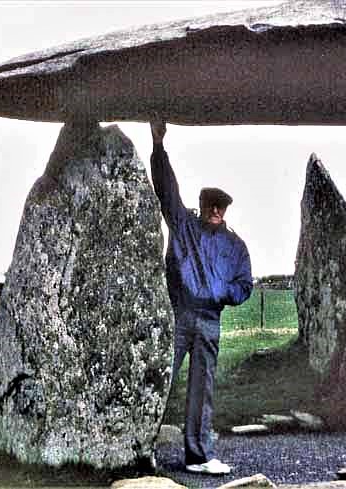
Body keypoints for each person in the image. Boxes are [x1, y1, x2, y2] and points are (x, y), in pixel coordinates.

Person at [149, 120, 253, 475]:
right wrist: (158, 148)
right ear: (202, 204)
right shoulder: (184, 227)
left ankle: (197, 455)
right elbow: (167, 193)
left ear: (226, 210)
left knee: (201, 388)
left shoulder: (235, 246)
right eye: (210, 204)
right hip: (180, 316)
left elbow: (244, 285)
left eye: (220, 206)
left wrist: (223, 293)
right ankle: (139, 446)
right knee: (160, 379)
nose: (214, 210)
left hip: (210, 321)